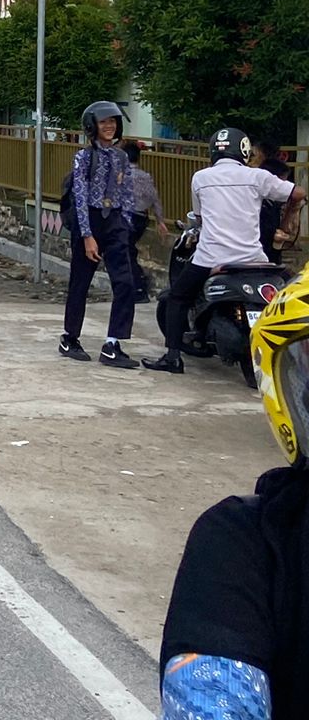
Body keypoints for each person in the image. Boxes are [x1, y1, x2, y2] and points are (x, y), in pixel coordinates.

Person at [156, 276, 309, 718]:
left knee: (182, 290)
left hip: (230, 265)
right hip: (254, 266)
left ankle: (173, 350)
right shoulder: (248, 544)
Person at [143, 127, 304, 374]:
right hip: (254, 260)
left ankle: (173, 357)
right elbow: (297, 193)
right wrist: (290, 214)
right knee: (287, 298)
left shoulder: (201, 178)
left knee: (177, 297)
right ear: (244, 151)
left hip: (211, 258)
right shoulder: (257, 176)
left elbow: (199, 217)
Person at [58, 101, 141, 369]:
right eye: (104, 122)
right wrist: (86, 235)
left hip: (114, 221)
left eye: (113, 122)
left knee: (125, 283)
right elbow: (79, 196)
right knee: (80, 283)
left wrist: (125, 224)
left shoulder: (121, 157)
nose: (109, 126)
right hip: (90, 220)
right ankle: (70, 337)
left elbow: (127, 191)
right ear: (92, 126)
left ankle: (113, 343)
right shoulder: (84, 157)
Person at [124, 142, 168, 303]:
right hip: (142, 218)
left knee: (126, 252)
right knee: (129, 250)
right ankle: (137, 286)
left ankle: (139, 288)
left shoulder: (121, 176)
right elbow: (154, 199)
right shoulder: (145, 176)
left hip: (126, 218)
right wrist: (160, 220)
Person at [260, 143, 294, 267]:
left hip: (272, 255)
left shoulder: (274, 204)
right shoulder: (260, 205)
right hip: (259, 256)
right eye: (283, 181)